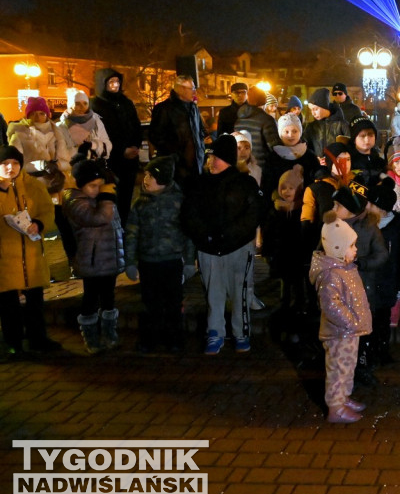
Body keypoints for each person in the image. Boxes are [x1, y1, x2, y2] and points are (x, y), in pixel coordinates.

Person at [182, 135, 264, 355]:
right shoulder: (200, 183)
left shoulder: (245, 183)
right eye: (210, 157)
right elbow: (190, 214)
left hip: (237, 247)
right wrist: (205, 236)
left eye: (216, 157)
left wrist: (228, 236)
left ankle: (240, 333)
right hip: (209, 248)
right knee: (213, 294)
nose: (211, 162)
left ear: (227, 158)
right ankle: (215, 332)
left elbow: (252, 215)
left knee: (240, 293)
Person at [123, 156, 193, 353]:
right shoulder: (140, 203)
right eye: (146, 174)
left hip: (172, 261)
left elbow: (188, 233)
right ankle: (149, 339)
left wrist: (189, 261)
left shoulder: (178, 202)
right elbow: (132, 233)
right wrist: (130, 261)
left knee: (173, 303)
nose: (146, 179)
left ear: (162, 179)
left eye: (151, 176)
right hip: (148, 262)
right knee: (150, 304)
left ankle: (175, 339)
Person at [310, 212, 371, 423]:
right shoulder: (331, 275)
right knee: (338, 368)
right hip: (339, 333)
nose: (356, 250)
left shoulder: (343, 268)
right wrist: (350, 322)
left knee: (347, 365)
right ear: (337, 249)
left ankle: (343, 397)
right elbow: (331, 305)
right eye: (352, 246)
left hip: (349, 331)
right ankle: (335, 406)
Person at [63, 151, 125, 354]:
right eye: (92, 186)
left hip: (110, 258)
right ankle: (91, 337)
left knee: (109, 298)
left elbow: (115, 223)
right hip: (92, 260)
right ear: (80, 185)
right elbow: (100, 218)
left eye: (100, 185)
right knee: (91, 297)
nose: (97, 190)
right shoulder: (75, 201)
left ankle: (109, 333)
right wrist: (107, 197)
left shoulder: (101, 198)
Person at [331, 177, 389, 387]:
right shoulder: (331, 227)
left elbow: (381, 254)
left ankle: (362, 366)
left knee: (363, 332)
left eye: (339, 205)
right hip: (338, 289)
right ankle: (344, 372)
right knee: (342, 332)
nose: (334, 208)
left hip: (363, 287)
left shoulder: (369, 227)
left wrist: (361, 263)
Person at [0, 146, 58, 356]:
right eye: (5, 163)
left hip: (31, 253)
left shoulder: (33, 185)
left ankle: (38, 338)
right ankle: (13, 342)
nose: (10, 168)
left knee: (35, 299)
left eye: (15, 163)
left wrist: (39, 224)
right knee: (8, 303)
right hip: (5, 256)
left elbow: (47, 210)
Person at [90, 68, 143, 220]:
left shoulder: (126, 103)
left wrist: (135, 146)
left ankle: (124, 230)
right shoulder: (96, 104)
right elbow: (101, 133)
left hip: (130, 161)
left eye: (117, 81)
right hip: (110, 162)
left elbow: (136, 126)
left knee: (126, 200)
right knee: (110, 199)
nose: (115, 85)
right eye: (111, 82)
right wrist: (121, 150)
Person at [264, 164, 309, 338]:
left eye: (291, 188)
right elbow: (269, 233)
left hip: (297, 255)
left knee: (298, 285)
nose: (287, 192)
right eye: (284, 188)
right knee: (285, 285)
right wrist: (269, 252)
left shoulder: (302, 209)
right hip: (282, 255)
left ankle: (298, 311)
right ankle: (284, 312)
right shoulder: (276, 209)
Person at [364, 174, 400, 366]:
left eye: (370, 204)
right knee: (367, 317)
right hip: (368, 280)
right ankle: (368, 351)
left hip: (388, 279)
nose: (366, 207)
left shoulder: (398, 225)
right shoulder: (364, 224)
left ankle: (382, 349)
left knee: (383, 318)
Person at [149, 74, 207, 186]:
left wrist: (201, 150)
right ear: (180, 89)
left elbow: (200, 131)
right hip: (176, 167)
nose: (194, 92)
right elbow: (155, 136)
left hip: (196, 166)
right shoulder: (164, 109)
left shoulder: (193, 108)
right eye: (192, 89)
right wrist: (174, 154)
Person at [7, 96, 72, 194]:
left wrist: (57, 166)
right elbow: (15, 165)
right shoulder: (19, 135)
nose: (38, 117)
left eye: (42, 113)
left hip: (56, 185)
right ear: (28, 115)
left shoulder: (57, 133)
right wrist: (41, 165)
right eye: (33, 114)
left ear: (47, 115)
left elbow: (66, 162)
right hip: (31, 186)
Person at [262, 112, 319, 203]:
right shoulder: (273, 157)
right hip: (278, 209)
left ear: (300, 132)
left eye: (294, 131)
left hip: (305, 207)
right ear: (280, 133)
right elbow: (267, 185)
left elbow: (314, 182)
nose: (290, 135)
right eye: (286, 131)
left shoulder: (309, 156)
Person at [232, 88, 282, 174]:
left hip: (242, 166)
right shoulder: (267, 120)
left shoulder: (239, 119)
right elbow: (275, 147)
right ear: (264, 101)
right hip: (262, 168)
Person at [58, 91, 112, 161]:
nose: (82, 107)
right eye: (77, 104)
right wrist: (80, 151)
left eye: (85, 103)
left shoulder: (96, 123)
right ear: (71, 105)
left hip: (93, 166)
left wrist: (93, 145)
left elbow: (107, 145)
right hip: (72, 168)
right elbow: (61, 153)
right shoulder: (62, 126)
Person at [304, 88, 349, 161]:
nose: (313, 113)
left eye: (315, 109)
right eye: (311, 110)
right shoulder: (311, 127)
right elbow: (306, 147)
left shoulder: (342, 125)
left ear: (324, 107)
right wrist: (315, 158)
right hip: (318, 168)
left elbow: (349, 147)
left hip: (337, 167)